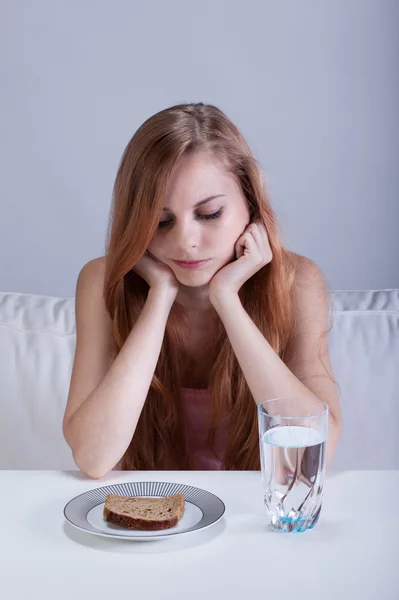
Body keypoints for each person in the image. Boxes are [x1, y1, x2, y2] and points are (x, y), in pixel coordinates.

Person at [62, 102, 343, 480]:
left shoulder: (298, 282)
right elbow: (93, 457)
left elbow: (312, 455)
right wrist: (159, 296)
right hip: (153, 521)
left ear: (251, 202)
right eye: (160, 222)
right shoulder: (101, 282)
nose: (185, 241)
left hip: (254, 523)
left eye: (209, 214)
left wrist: (227, 300)